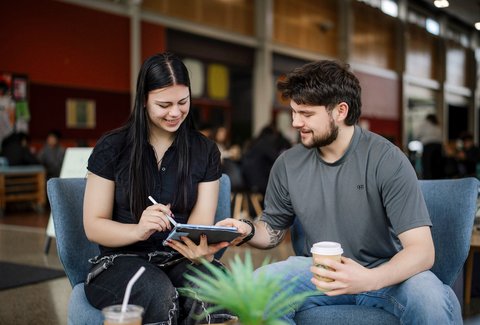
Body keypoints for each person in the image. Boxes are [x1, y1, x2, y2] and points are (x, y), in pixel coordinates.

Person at [217, 60, 461, 324]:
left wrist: (369, 279)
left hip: (386, 274)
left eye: (307, 114)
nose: (296, 122)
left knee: (431, 298)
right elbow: (273, 230)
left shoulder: (387, 159)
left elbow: (422, 251)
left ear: (340, 111)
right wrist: (247, 230)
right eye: (294, 112)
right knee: (255, 288)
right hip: (317, 272)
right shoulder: (288, 163)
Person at [83, 52, 232, 324]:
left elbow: (199, 224)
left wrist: (198, 249)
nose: (175, 112)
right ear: (143, 101)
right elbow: (93, 226)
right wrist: (138, 229)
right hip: (120, 261)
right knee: (158, 295)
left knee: (218, 291)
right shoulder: (112, 147)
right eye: (164, 104)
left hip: (178, 258)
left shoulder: (205, 150)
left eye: (182, 102)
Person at [415, 114, 444, 179]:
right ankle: (437, 181)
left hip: (428, 145)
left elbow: (417, 134)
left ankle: (428, 182)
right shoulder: (437, 125)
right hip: (438, 146)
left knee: (427, 166)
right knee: (436, 166)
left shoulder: (424, 124)